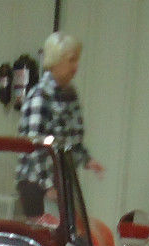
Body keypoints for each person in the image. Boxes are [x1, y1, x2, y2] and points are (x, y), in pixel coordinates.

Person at [16, 32, 104, 218]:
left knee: (74, 234)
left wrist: (87, 160)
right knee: (51, 238)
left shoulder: (70, 94)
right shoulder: (40, 96)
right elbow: (34, 145)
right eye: (72, 60)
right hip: (37, 183)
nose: (76, 66)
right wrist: (48, 186)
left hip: (63, 178)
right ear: (56, 61)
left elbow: (72, 139)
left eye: (77, 60)